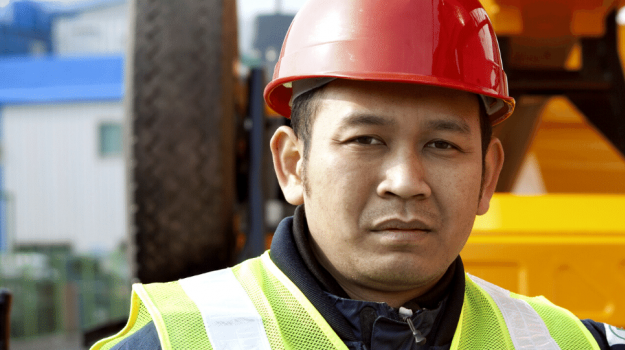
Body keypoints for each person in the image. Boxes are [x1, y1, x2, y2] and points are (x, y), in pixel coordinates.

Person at [92, 0, 625, 349]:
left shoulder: (570, 343)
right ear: (292, 164)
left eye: (442, 144)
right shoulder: (177, 340)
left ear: (488, 176)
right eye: (365, 140)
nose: (406, 180)